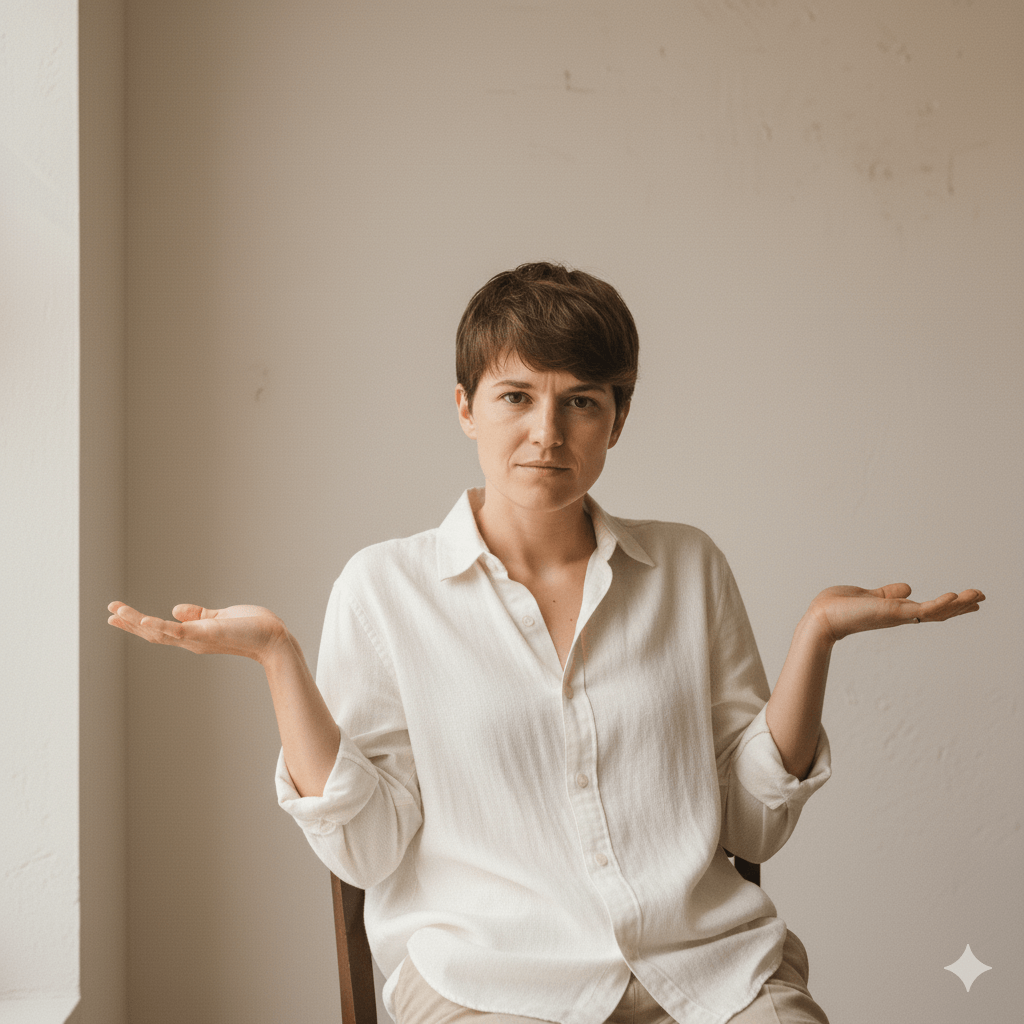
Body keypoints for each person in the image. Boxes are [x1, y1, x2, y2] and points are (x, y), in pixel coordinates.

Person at [108, 263, 984, 1024]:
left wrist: (815, 639)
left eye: (582, 403)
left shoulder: (687, 566)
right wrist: (278, 659)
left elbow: (752, 822)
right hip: (488, 982)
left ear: (619, 418)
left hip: (708, 970)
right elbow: (368, 850)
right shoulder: (385, 590)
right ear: (465, 407)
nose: (547, 433)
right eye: (517, 397)